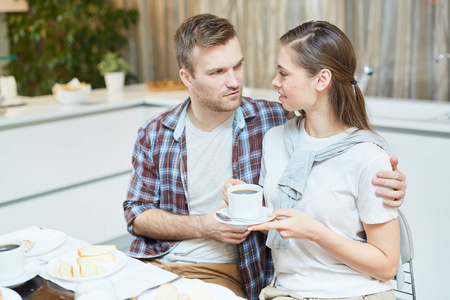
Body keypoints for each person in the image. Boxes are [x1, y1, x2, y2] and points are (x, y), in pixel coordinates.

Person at [123, 14, 406, 300]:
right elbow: (135, 213)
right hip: (163, 262)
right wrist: (212, 219)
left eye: (238, 66)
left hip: (238, 273)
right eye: (217, 72)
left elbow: (339, 142)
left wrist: (387, 180)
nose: (234, 81)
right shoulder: (158, 132)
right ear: (187, 78)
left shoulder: (270, 120)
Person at [243, 21, 400, 300]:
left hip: (358, 293)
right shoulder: (275, 140)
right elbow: (274, 215)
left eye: (283, 73)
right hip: (288, 292)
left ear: (321, 80)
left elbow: (386, 265)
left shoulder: (367, 157)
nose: (275, 82)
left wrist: (315, 232)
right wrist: (240, 199)